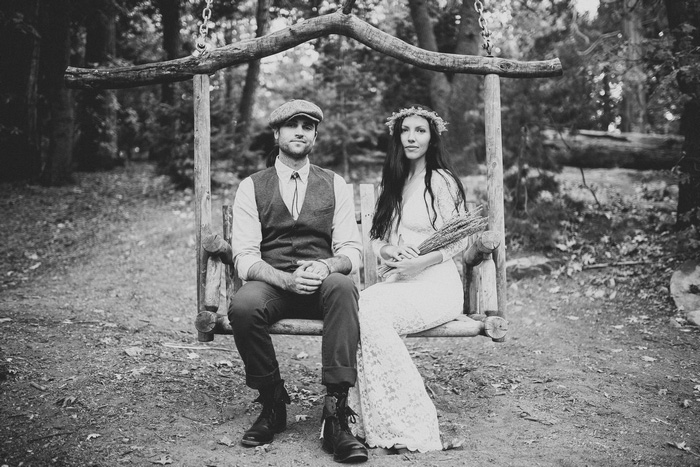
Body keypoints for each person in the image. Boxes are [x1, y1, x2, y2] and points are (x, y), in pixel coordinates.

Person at [228, 99, 369, 463]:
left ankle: (336, 415)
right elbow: (244, 255)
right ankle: (273, 402)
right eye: (292, 126)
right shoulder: (252, 186)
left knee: (343, 286)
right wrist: (285, 281)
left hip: (320, 283)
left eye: (307, 126)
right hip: (275, 283)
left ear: (315, 136)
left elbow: (351, 250)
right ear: (277, 134)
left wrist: (326, 266)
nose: (300, 132)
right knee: (243, 306)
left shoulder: (334, 184)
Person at [347, 105, 470, 452]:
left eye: (420, 130)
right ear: (398, 137)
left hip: (437, 285)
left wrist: (421, 263)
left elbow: (462, 238)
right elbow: (377, 239)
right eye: (406, 130)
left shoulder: (441, 181)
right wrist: (389, 253)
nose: (412, 137)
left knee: (370, 308)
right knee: (365, 306)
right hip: (400, 283)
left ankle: (413, 421)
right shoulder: (396, 181)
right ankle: (380, 419)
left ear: (432, 138)